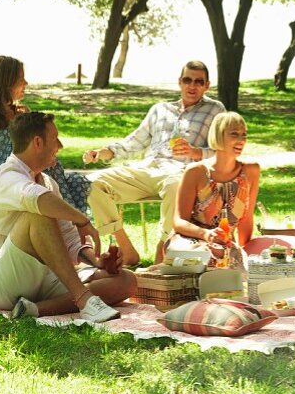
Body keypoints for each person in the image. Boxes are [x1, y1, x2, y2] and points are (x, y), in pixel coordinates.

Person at [0, 110, 137, 321]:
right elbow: (37, 200)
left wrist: (97, 262)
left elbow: (69, 239)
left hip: (41, 279)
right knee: (38, 215)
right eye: (55, 139)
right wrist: (82, 220)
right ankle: (83, 299)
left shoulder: (48, 183)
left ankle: (34, 310)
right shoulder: (5, 178)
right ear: (37, 142)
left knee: (126, 281)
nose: (60, 145)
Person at [83, 60, 225, 265]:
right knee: (90, 184)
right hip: (146, 169)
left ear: (207, 85)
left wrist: (195, 152)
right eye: (187, 80)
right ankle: (126, 248)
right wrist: (103, 152)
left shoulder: (215, 110)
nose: (192, 86)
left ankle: (162, 251)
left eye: (198, 82)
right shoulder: (160, 109)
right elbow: (134, 142)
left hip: (180, 171)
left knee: (177, 186)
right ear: (179, 82)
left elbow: (222, 149)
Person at [0, 55, 91, 215]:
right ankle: (71, 226)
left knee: (77, 182)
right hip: (2, 181)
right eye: (21, 79)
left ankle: (73, 227)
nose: (26, 83)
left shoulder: (23, 113)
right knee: (44, 186)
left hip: (33, 178)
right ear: (6, 83)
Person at [168, 111, 260, 268]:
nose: (241, 140)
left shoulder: (251, 171)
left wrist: (247, 252)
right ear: (218, 135)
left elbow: (246, 218)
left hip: (225, 245)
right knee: (210, 260)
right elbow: (179, 221)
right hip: (191, 241)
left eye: (244, 135)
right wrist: (206, 234)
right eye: (234, 134)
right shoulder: (195, 171)